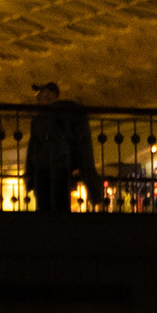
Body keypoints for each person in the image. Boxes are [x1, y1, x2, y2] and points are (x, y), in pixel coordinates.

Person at [22, 81, 102, 215]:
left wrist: (30, 173)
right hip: (60, 166)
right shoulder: (65, 116)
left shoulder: (43, 119)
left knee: (46, 205)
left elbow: (34, 147)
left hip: (47, 168)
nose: (38, 96)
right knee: (59, 206)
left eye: (42, 92)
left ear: (52, 94)